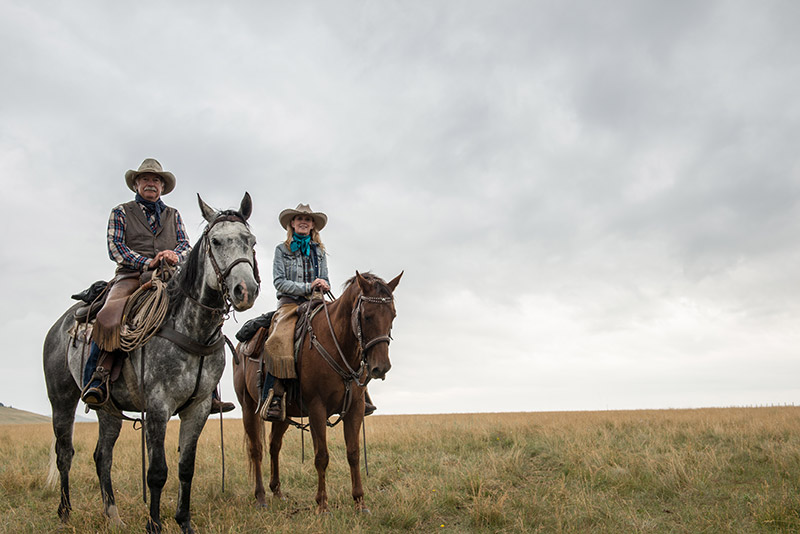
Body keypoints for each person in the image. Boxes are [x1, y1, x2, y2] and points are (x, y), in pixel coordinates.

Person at [81, 158, 235, 414]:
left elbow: (185, 246)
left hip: (170, 275)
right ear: (136, 184)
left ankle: (210, 391)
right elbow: (116, 248)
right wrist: (146, 261)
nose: (150, 183)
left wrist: (175, 256)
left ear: (162, 186)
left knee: (203, 313)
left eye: (155, 180)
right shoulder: (121, 211)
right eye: (145, 179)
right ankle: (97, 377)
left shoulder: (173, 215)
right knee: (109, 316)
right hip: (131, 275)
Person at [259, 203, 376, 421]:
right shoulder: (281, 250)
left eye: (308, 219)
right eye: (299, 218)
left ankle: (361, 391)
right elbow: (279, 282)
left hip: (316, 302)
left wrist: (324, 284)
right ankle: (274, 394)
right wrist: (308, 286)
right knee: (279, 338)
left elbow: (326, 279)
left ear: (313, 226)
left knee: (345, 330)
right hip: (290, 304)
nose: (304, 221)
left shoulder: (319, 251)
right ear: (292, 223)